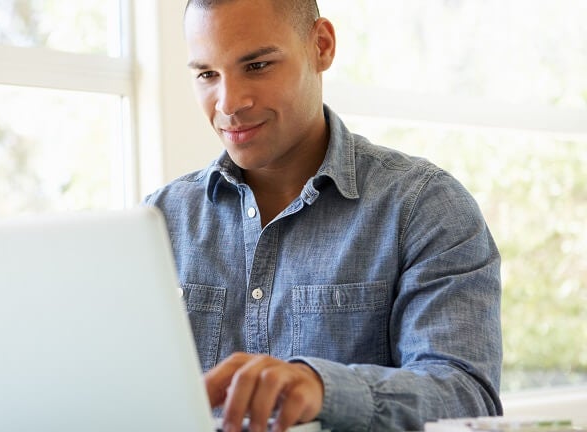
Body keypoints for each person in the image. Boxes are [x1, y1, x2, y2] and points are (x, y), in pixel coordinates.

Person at [143, 0, 503, 430]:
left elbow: (467, 398)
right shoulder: (158, 221)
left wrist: (324, 387)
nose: (229, 103)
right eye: (206, 74)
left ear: (322, 45)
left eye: (256, 66)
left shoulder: (425, 208)